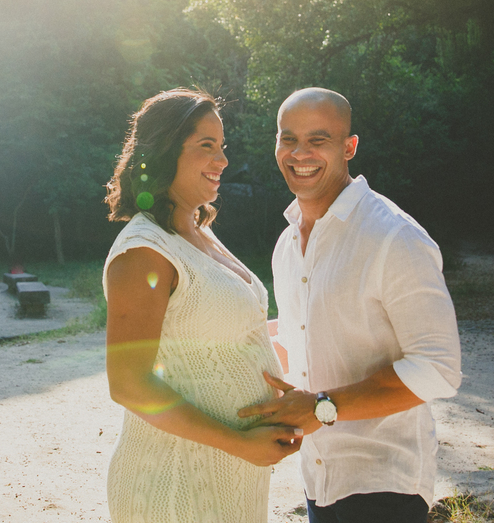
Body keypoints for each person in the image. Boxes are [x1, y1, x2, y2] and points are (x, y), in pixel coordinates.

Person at [238, 87, 462, 523]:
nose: (300, 153)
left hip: (384, 485)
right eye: (288, 139)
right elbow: (301, 335)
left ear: (349, 147)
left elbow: (439, 369)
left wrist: (322, 407)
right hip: (318, 479)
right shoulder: (288, 243)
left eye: (317, 140)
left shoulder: (393, 237)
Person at [102, 88, 301, 523]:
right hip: (174, 484)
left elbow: (231, 334)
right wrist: (240, 442)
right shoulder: (144, 252)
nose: (223, 160)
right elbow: (129, 384)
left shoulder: (197, 230)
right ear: (163, 153)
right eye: (206, 146)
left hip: (229, 476)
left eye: (222, 146)